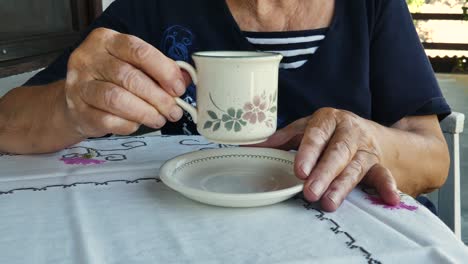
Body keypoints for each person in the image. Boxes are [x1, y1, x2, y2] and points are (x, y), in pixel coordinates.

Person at [0, 0, 451, 212]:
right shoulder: (151, 9)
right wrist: (71, 106)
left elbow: (433, 159)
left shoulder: (371, 6)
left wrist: (368, 138)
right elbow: (8, 125)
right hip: (186, 224)